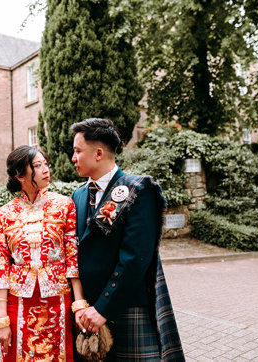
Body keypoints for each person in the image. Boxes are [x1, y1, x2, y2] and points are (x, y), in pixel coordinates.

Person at [70, 118, 185, 361]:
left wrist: (102, 308)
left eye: (78, 151)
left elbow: (135, 258)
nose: (73, 158)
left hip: (125, 307)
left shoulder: (138, 190)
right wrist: (83, 306)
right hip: (86, 314)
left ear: (98, 153)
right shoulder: (77, 195)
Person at [0, 145, 86, 361]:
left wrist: (79, 305)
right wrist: (0, 319)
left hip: (58, 301)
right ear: (20, 175)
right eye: (37, 165)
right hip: (18, 301)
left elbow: (72, 256)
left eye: (46, 164)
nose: (45, 170)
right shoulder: (4, 214)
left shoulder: (64, 205)